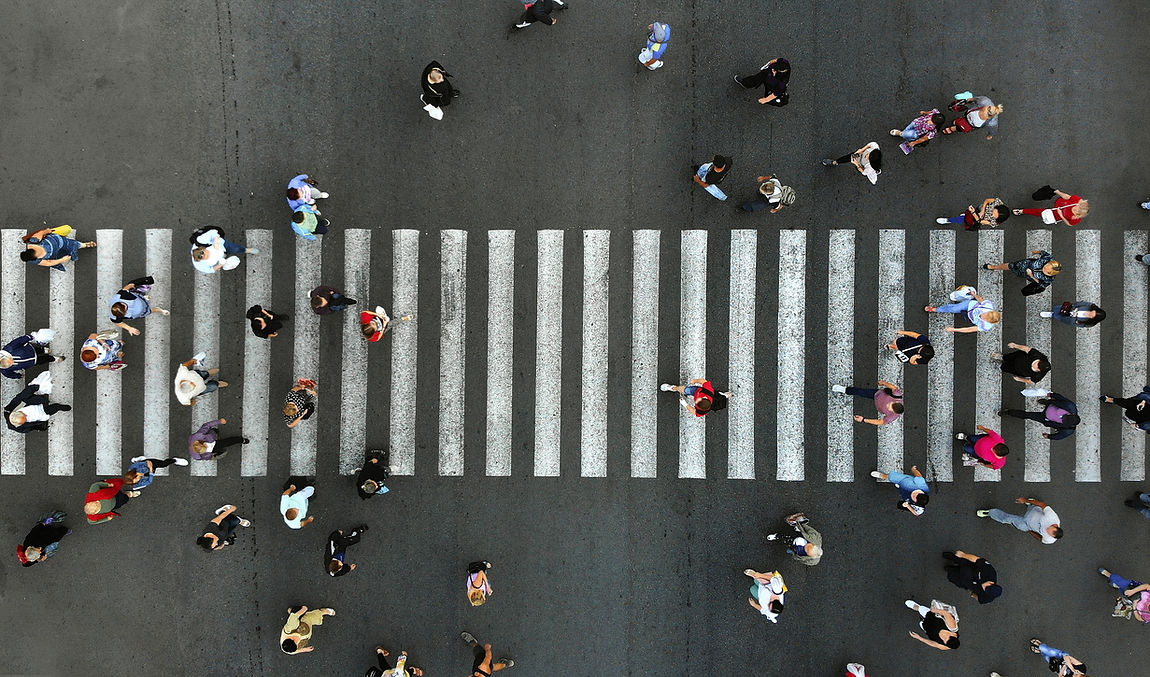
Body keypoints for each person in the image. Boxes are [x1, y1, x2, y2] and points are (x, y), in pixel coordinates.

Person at [977, 496, 1062, 544]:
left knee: (1007, 519)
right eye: (1049, 528)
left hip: (1026, 525)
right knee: (1033, 504)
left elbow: (1040, 539)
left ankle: (990, 512)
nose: (1046, 529)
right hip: (1033, 510)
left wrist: (1030, 531)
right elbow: (1043, 505)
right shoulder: (1052, 517)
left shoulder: (1049, 539)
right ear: (1055, 525)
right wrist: (1025, 500)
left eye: (1048, 532)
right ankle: (1029, 502)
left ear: (1052, 536)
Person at [5, 371, 70, 433]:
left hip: (36, 405)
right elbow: (29, 428)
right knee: (54, 408)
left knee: (52, 404)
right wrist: (38, 427)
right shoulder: (18, 427)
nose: (26, 416)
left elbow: (24, 394)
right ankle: (59, 407)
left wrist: (35, 387)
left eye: (24, 416)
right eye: (24, 420)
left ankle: (56, 405)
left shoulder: (14, 405)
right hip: (41, 414)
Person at [999, 393, 1079, 440]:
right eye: (1065, 417)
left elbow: (1060, 436)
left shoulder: (1069, 430)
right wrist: (1051, 395)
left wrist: (1049, 436)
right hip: (1050, 405)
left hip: (1044, 418)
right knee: (1045, 403)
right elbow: (1061, 398)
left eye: (1064, 421)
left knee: (1027, 415)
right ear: (1071, 413)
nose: (1062, 419)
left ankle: (1008, 412)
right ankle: (1045, 402)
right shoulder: (1070, 406)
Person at [925, 285, 1001, 333]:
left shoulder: (986, 326)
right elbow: (980, 299)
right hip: (970, 305)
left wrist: (953, 330)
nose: (984, 315)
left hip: (969, 316)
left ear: (989, 321)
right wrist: (974, 295)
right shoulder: (988, 306)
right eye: (987, 313)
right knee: (954, 308)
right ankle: (936, 309)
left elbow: (969, 329)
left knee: (956, 308)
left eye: (986, 318)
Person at [984, 250, 1061, 295]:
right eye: (1046, 265)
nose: (1044, 268)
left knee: (1017, 273)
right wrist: (1037, 252)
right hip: (1024, 264)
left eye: (1046, 271)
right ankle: (994, 267)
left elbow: (1040, 283)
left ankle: (1016, 272)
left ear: (1050, 274)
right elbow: (1043, 253)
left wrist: (1031, 275)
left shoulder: (1049, 279)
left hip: (1027, 275)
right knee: (1011, 265)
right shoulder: (1049, 259)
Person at [20, 226, 95, 271]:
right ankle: (81, 245)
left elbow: (42, 232)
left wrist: (48, 231)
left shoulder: (33, 241)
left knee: (72, 244)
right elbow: (49, 263)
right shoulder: (36, 260)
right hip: (57, 252)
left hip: (59, 240)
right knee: (69, 252)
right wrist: (63, 260)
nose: (39, 255)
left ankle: (84, 245)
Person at [831, 380, 903, 426]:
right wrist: (884, 383)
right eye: (891, 404)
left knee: (861, 392)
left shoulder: (892, 416)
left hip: (877, 404)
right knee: (860, 392)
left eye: (890, 408)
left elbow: (881, 422)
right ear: (896, 402)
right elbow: (894, 388)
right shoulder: (897, 396)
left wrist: (864, 420)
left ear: (893, 411)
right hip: (877, 394)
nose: (888, 405)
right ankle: (844, 389)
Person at [189, 226, 257, 274]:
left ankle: (245, 250)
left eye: (206, 252)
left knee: (236, 249)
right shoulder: (200, 265)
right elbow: (211, 269)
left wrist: (216, 241)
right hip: (219, 257)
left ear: (203, 248)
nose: (208, 255)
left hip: (221, 245)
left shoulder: (201, 241)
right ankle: (224, 255)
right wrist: (221, 265)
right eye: (206, 257)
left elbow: (213, 232)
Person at [1012, 187, 1089, 227]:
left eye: (1079, 207)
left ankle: (1022, 211)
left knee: (1039, 212)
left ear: (1079, 213)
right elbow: (1067, 197)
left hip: (1055, 214)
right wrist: (1057, 192)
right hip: (1059, 203)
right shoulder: (1078, 201)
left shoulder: (1076, 219)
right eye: (1080, 204)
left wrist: (1061, 215)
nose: (1077, 205)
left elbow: (1069, 224)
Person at [660, 379, 730, 417]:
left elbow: (694, 411)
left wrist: (685, 404)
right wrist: (695, 381)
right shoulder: (708, 391)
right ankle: (673, 388)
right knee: (686, 390)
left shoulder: (702, 411)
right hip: (697, 391)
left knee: (686, 390)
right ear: (705, 398)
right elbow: (704, 381)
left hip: (700, 392)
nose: (696, 401)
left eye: (696, 402)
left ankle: (723, 395)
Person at [935, 197, 1010, 229]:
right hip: (980, 210)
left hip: (977, 217)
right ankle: (965, 216)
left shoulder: (995, 222)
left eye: (994, 216)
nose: (992, 214)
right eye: (994, 211)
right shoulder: (997, 202)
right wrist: (983, 210)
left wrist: (973, 213)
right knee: (967, 215)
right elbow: (987, 200)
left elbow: (980, 221)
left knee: (963, 219)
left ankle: (949, 220)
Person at [123, 454, 189, 491]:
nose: (138, 479)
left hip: (147, 464)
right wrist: (151, 469)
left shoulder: (132, 468)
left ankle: (174, 460)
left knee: (163, 464)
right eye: (136, 481)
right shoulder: (138, 484)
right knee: (160, 466)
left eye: (136, 477)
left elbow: (144, 463)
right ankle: (140, 459)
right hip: (149, 471)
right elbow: (149, 481)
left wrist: (148, 463)